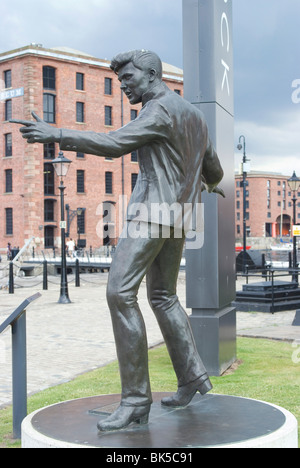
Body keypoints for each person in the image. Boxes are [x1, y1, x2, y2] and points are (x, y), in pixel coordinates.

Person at [11, 49, 224, 432]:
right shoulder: (195, 115)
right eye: (120, 80)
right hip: (180, 214)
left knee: (118, 292)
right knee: (163, 296)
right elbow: (213, 167)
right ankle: (192, 377)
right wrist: (207, 184)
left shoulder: (157, 112)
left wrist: (55, 134)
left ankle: (135, 400)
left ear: (153, 75)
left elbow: (113, 144)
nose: (123, 85)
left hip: (153, 213)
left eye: (128, 78)